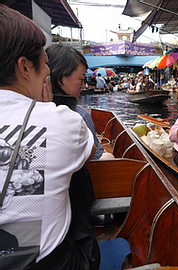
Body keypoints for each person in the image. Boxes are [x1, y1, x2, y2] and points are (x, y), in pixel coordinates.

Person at [0, 4, 99, 270]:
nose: (47, 73)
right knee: (76, 176)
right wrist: (47, 109)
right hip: (53, 264)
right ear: (24, 67)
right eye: (44, 64)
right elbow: (90, 155)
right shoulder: (64, 119)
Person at [46, 44, 105, 160]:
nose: (83, 86)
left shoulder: (28, 111)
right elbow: (97, 157)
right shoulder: (80, 116)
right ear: (60, 79)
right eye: (81, 79)